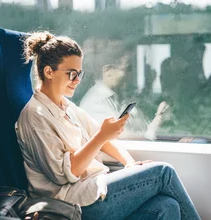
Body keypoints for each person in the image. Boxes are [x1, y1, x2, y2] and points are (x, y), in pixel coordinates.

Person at [15, 31, 201, 220]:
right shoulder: (34, 116)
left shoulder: (67, 107)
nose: (77, 80)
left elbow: (100, 136)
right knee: (163, 173)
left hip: (94, 189)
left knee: (166, 206)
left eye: (79, 73)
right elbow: (66, 174)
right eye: (71, 74)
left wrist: (128, 162)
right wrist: (102, 136)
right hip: (74, 205)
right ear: (48, 72)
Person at [80, 64, 170, 140]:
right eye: (126, 69)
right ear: (108, 72)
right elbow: (127, 141)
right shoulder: (94, 103)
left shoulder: (120, 96)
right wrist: (159, 119)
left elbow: (141, 128)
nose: (130, 75)